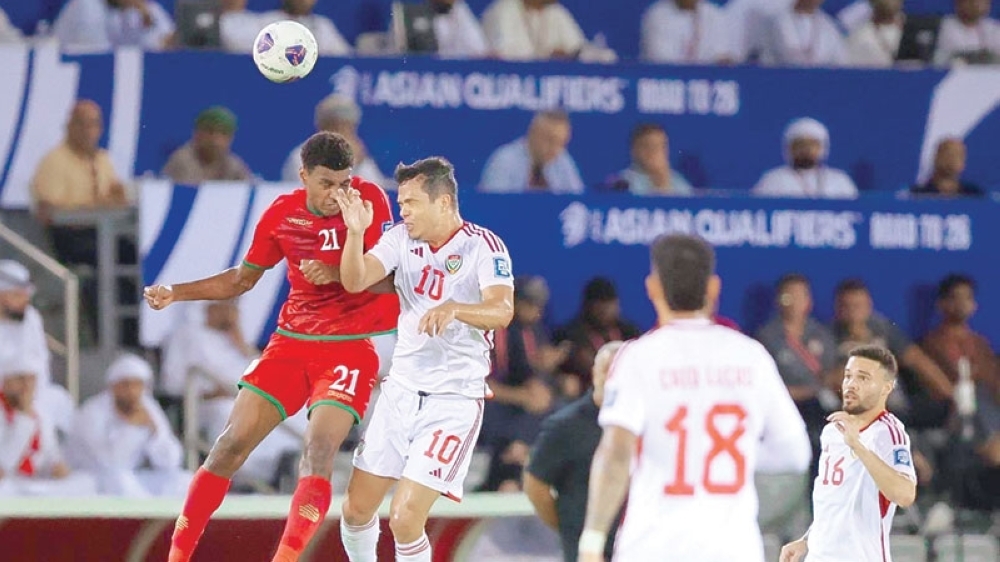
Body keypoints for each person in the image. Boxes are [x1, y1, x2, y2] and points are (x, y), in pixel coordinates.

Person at [142, 132, 399, 562]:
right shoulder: (282, 214)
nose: (338, 194)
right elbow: (242, 279)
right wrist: (176, 292)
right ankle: (177, 556)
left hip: (350, 347)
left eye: (343, 183)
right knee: (228, 446)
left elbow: (396, 277)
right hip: (291, 343)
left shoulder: (370, 201)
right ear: (303, 177)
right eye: (326, 184)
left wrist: (339, 271)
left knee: (317, 452)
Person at [578, 233, 812, 562]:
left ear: (653, 288)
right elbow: (794, 453)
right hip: (732, 547)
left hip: (652, 546)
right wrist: (733, 456)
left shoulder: (638, 357)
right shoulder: (750, 356)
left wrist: (592, 541)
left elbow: (616, 453)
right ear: (714, 288)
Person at [333, 156, 515, 562]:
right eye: (401, 204)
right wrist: (354, 232)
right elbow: (355, 279)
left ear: (444, 202)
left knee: (404, 517)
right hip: (399, 393)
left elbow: (502, 311)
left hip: (452, 401)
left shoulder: (483, 246)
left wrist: (455, 308)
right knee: (356, 510)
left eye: (411, 203)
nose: (403, 212)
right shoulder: (400, 239)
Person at [779, 345, 917, 562]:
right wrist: (807, 540)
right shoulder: (833, 430)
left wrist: (858, 446)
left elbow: (905, 494)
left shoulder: (888, 433)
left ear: (886, 388)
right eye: (848, 376)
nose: (851, 384)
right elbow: (834, 501)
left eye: (863, 378)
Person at [524, 340, 624, 562]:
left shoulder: (646, 423)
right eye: (607, 370)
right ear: (594, 373)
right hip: (589, 550)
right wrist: (570, 529)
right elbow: (535, 487)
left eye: (621, 370)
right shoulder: (565, 426)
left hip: (637, 546)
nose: (612, 378)